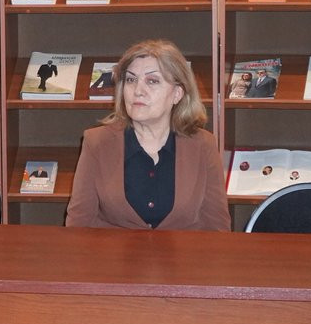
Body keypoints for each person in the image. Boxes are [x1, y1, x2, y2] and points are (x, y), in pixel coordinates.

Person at [66, 39, 231, 231]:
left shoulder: (203, 144)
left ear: (177, 94)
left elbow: (217, 228)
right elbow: (78, 226)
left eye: (152, 81)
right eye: (131, 80)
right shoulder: (96, 142)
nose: (138, 91)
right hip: (112, 251)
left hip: (185, 251)